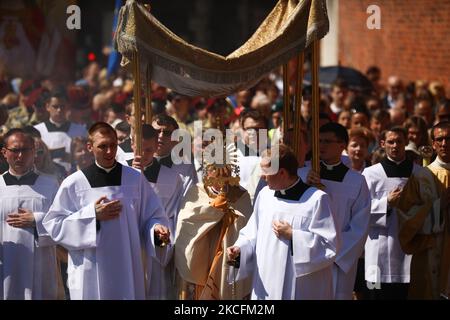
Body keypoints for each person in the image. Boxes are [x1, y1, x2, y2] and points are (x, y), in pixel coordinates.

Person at [42, 122, 170, 300]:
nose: (109, 151)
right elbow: (54, 224)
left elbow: (152, 215)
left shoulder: (134, 178)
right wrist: (92, 215)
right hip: (90, 268)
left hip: (127, 265)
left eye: (113, 145)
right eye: (102, 146)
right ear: (90, 147)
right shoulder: (75, 183)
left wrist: (156, 229)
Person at [227, 144, 340, 299]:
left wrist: (294, 235)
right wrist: (239, 249)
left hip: (299, 287)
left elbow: (329, 246)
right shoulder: (265, 195)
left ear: (282, 173)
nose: (262, 176)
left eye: (266, 171)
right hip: (266, 284)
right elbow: (252, 234)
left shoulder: (316, 200)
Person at [300, 123, 371, 300]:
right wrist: (304, 186)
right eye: (318, 141)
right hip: (310, 254)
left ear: (342, 145)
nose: (321, 145)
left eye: (326, 141)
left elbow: (359, 226)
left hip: (338, 260)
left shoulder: (356, 181)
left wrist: (333, 253)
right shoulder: (305, 175)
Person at [175, 140, 253, 300]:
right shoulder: (196, 192)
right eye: (213, 168)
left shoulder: (241, 195)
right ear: (207, 169)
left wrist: (232, 216)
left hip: (228, 258)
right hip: (203, 259)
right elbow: (187, 224)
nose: (219, 174)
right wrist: (213, 210)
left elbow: (250, 227)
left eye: (224, 169)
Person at [362, 127, 421, 299]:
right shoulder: (370, 174)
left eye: (399, 142)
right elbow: (360, 211)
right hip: (376, 253)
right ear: (382, 144)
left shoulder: (419, 173)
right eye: (390, 142)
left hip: (408, 251)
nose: (395, 145)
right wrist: (386, 203)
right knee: (375, 295)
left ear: (405, 143)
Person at [0, 128, 59, 299]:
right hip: (5, 265)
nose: (20, 156)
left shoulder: (50, 185)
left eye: (25, 150)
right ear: (4, 152)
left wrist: (37, 220)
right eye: (15, 150)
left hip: (40, 265)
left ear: (33, 152)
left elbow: (64, 224)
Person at [127, 124, 184, 299]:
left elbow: (174, 216)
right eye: (140, 149)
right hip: (126, 244)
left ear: (156, 147)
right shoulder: (120, 174)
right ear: (131, 144)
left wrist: (163, 237)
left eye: (149, 150)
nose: (144, 155)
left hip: (155, 249)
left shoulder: (172, 178)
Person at [396, 121, 450, 299]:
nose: (444, 143)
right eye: (440, 139)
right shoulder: (420, 177)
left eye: (448, 139)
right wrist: (437, 209)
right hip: (429, 253)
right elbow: (405, 217)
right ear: (433, 144)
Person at [34, 90, 87, 172]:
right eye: (55, 106)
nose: (59, 110)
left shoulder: (80, 130)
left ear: (68, 107)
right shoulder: (37, 130)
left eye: (62, 106)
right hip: (46, 175)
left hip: (73, 174)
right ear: (47, 107)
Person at [152, 114, 198, 196]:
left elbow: (189, 200)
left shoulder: (185, 169)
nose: (161, 136)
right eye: (156, 131)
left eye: (167, 133)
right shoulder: (133, 163)